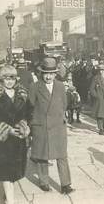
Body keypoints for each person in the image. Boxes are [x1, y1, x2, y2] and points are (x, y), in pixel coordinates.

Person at [0, 65, 31, 204]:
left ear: (16, 79)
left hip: (18, 139)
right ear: (1, 79)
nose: (9, 81)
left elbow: (29, 113)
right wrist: (6, 129)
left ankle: (8, 195)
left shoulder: (22, 94)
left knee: (14, 173)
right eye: (6, 78)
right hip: (2, 140)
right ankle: (10, 201)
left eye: (12, 78)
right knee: (5, 173)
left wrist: (24, 126)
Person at [28, 57, 75, 194]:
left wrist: (59, 117)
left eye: (51, 73)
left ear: (55, 74)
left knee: (62, 156)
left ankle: (65, 184)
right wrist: (33, 123)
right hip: (41, 125)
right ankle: (44, 182)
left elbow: (64, 104)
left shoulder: (60, 86)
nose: (48, 76)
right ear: (41, 73)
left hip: (57, 126)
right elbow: (30, 106)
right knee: (42, 156)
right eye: (45, 73)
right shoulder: (34, 87)